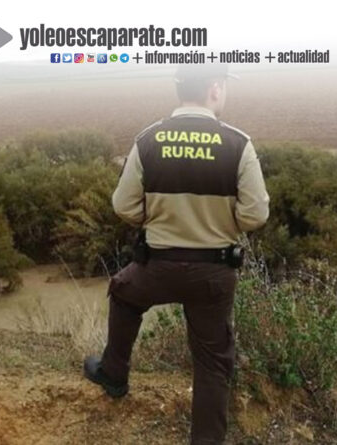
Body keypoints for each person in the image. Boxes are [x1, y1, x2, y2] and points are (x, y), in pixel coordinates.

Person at [83, 63, 270, 444]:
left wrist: (156, 218)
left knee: (123, 291)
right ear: (214, 89)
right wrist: (222, 222)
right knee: (212, 363)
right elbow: (256, 215)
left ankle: (114, 374)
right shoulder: (238, 143)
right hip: (215, 274)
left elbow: (123, 205)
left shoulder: (149, 139)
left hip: (157, 267)